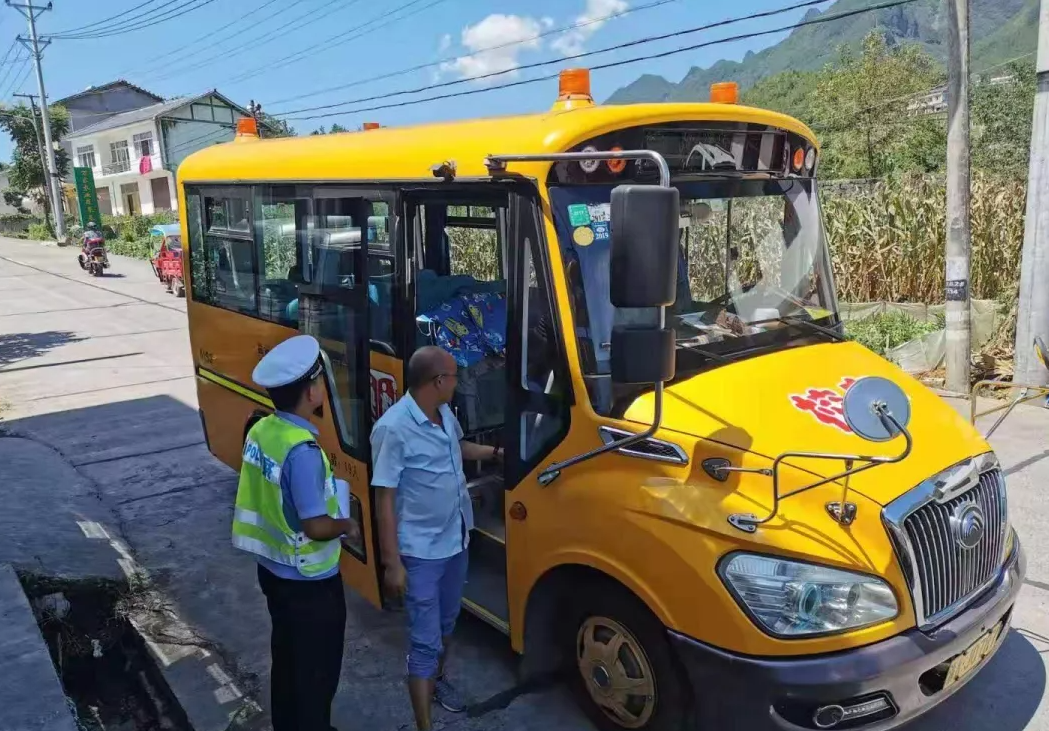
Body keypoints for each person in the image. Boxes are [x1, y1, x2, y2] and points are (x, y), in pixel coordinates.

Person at [231, 334, 359, 731]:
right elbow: (316, 525)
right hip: (309, 582)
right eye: (320, 380)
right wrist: (348, 525)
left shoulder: (263, 430)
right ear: (311, 391)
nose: (323, 386)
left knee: (287, 661)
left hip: (273, 570)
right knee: (316, 675)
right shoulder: (301, 450)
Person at [371, 346, 501, 731]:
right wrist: (392, 563)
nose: (458, 382)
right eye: (454, 376)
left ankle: (437, 682)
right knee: (426, 643)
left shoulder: (443, 414)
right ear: (438, 381)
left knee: (447, 625)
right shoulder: (393, 428)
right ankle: (424, 724)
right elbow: (385, 499)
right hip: (421, 553)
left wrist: (495, 452)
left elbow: (457, 449)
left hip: (455, 541)